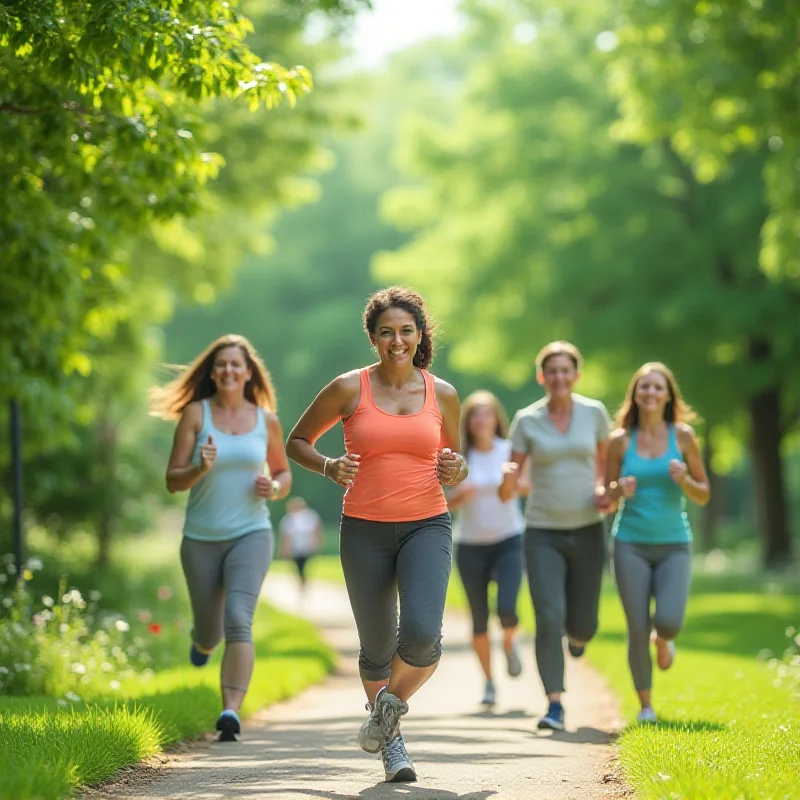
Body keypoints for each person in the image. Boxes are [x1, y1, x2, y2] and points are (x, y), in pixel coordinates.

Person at [286, 286, 466, 783]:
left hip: (427, 523)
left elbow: (458, 461)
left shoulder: (443, 393)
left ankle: (386, 709)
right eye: (386, 332)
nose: (397, 340)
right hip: (363, 529)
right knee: (377, 647)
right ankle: (394, 746)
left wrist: (455, 467)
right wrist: (328, 466)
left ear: (420, 334)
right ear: (372, 338)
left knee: (424, 636)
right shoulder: (349, 388)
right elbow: (296, 441)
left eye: (406, 331)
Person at [150, 334, 291, 742]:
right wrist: (199, 467)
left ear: (249, 373)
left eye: (236, 364)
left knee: (239, 619)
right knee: (211, 629)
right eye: (221, 364)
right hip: (200, 538)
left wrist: (275, 487)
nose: (229, 370)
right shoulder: (196, 414)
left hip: (252, 532)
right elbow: (173, 481)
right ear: (213, 373)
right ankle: (203, 641)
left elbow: (283, 473)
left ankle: (230, 709)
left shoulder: (266, 420)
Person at [499, 341, 612, 732]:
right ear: (541, 376)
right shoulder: (526, 420)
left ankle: (579, 639)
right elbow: (509, 486)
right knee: (549, 616)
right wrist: (508, 480)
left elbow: (605, 465)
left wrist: (604, 489)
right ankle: (554, 704)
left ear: (576, 374)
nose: (559, 377)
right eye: (552, 371)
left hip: (587, 530)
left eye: (566, 370)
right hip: (543, 531)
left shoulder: (594, 413)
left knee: (582, 625)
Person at [605, 362, 710, 724]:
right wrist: (620, 489)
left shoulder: (683, 437)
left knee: (668, 621)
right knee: (636, 624)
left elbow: (704, 494)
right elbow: (606, 497)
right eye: (643, 387)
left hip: (674, 543)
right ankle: (646, 706)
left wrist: (685, 481)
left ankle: (663, 639)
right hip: (630, 542)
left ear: (668, 395)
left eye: (657, 387)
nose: (650, 393)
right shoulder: (620, 440)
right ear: (635, 394)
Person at [447, 391, 527, 708]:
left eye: (487, 413)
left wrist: (511, 483)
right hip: (469, 545)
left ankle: (509, 642)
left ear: (497, 418)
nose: (481, 419)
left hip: (509, 539)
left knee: (507, 608)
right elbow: (443, 501)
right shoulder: (459, 457)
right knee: (479, 618)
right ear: (468, 422)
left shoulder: (510, 453)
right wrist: (461, 495)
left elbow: (528, 484)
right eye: (475, 414)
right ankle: (489, 682)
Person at [278, 496, 323, 590]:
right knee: (299, 567)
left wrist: (317, 544)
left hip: (307, 547)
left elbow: (317, 531)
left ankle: (303, 583)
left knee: (304, 566)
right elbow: (286, 536)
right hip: (296, 548)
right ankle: (302, 583)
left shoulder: (310, 516)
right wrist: (285, 549)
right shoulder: (288, 519)